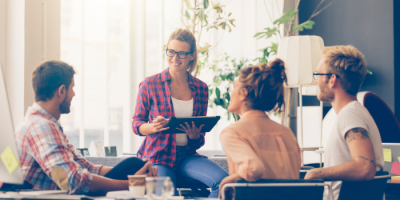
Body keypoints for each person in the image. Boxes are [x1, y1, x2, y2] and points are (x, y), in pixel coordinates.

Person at [15, 61, 158, 195]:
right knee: (134, 169)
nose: (74, 94)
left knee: (135, 165)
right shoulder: (42, 128)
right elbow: (75, 182)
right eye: (72, 88)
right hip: (56, 196)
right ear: (61, 91)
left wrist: (135, 173)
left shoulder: (40, 123)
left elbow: (86, 167)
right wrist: (132, 184)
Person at [132, 28, 228, 197]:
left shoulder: (201, 88)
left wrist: (194, 136)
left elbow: (199, 138)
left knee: (225, 183)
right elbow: (137, 124)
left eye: (182, 54)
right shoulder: (149, 84)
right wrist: (153, 127)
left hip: (186, 156)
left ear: (192, 55)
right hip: (157, 156)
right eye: (171, 52)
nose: (175, 58)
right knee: (167, 195)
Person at [304, 45, 384, 199]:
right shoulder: (355, 112)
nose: (316, 81)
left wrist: (317, 173)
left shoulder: (350, 115)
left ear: (332, 79)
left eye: (317, 75)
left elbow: (365, 166)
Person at [218, 59, 301, 198]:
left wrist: (226, 182)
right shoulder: (287, 134)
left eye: (233, 87)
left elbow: (254, 168)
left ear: (244, 92)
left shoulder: (232, 134)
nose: (230, 93)